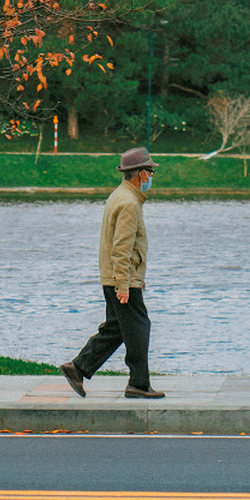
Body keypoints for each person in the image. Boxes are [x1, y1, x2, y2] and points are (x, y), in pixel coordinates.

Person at [60, 147, 165, 399]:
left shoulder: (119, 196)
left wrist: (130, 278)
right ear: (140, 173)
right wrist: (124, 285)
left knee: (117, 328)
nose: (152, 175)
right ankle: (138, 384)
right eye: (150, 170)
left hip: (117, 277)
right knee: (139, 327)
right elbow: (122, 248)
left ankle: (78, 367)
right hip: (121, 280)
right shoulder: (129, 203)